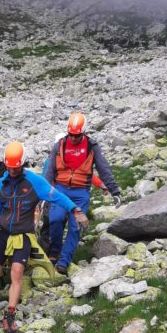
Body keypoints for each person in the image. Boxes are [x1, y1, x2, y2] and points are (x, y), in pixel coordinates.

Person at [0, 141, 89, 333]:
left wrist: (75, 210)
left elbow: (55, 196)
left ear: (22, 164)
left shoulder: (34, 181)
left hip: (23, 234)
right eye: (9, 168)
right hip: (3, 232)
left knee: (17, 272)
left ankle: (10, 314)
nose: (12, 171)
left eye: (16, 168)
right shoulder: (1, 183)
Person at [44, 113, 121, 275]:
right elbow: (50, 171)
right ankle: (55, 252)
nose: (73, 138)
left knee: (75, 228)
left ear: (84, 133)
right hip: (60, 190)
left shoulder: (92, 147)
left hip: (80, 193)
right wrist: (43, 193)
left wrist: (114, 190)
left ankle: (63, 262)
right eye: (71, 134)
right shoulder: (60, 145)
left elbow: (103, 168)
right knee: (55, 219)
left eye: (77, 135)